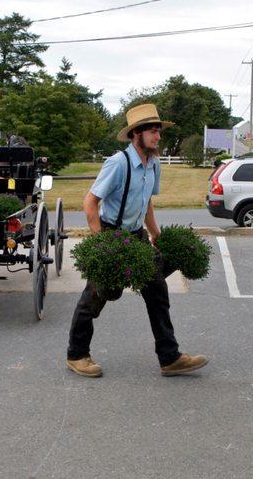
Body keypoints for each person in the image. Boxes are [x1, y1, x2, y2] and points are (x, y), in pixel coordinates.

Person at [66, 103, 208, 378]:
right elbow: (89, 203)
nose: (158, 137)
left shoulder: (154, 163)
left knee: (157, 291)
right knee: (95, 298)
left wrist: (155, 233)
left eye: (159, 132)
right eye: (153, 132)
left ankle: (170, 357)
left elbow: (147, 202)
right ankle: (77, 355)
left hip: (137, 236)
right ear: (136, 134)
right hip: (110, 235)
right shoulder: (118, 163)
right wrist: (103, 246)